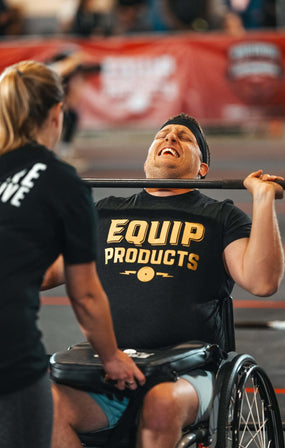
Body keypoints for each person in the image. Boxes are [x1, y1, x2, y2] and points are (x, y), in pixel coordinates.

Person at [42, 113, 285, 448]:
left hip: (189, 372)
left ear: (203, 169)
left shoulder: (221, 216)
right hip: (111, 370)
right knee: (44, 402)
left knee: (161, 403)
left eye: (184, 138)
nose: (170, 138)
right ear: (147, 159)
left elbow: (262, 281)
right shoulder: (104, 212)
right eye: (163, 135)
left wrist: (262, 198)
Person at [0, 60, 144, 448]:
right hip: (9, 356)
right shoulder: (61, 183)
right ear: (56, 113)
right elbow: (85, 294)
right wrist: (111, 357)